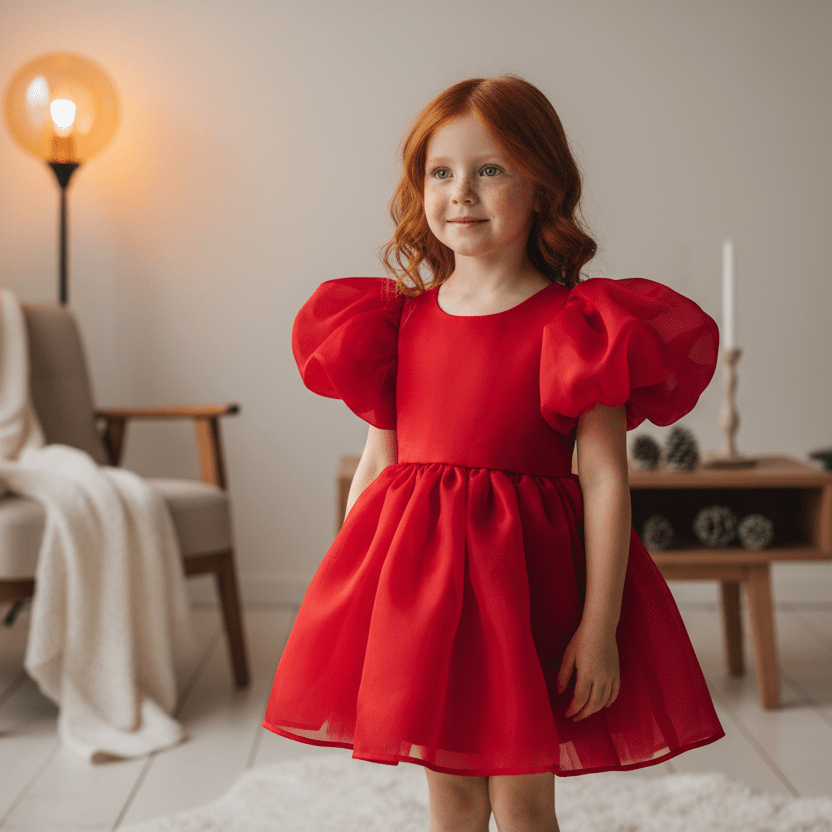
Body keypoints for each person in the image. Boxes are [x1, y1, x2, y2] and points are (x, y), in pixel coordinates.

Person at [263, 75, 726, 832]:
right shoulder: (396, 323)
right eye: (441, 172)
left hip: (527, 593)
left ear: (542, 184)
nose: (461, 193)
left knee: (521, 795)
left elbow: (605, 481)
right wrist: (352, 593)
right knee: (446, 790)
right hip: (423, 594)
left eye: (490, 170)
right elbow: (380, 464)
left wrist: (598, 626)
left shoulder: (579, 324)